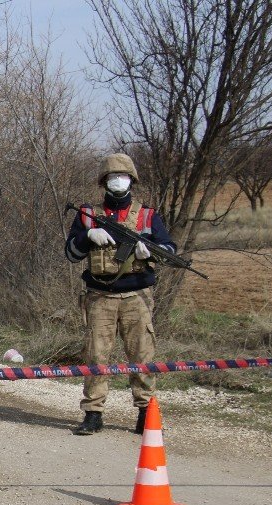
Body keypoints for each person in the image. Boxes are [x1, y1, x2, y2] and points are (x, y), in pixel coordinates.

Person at [64, 153, 177, 436]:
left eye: (123, 176)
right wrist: (87, 236)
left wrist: (150, 250)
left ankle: (145, 413)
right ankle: (93, 414)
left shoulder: (148, 215)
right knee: (96, 355)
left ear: (132, 180)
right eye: (112, 177)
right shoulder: (88, 215)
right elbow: (70, 253)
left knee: (142, 354)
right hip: (99, 295)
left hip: (137, 295)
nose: (118, 181)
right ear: (104, 182)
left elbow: (170, 250)